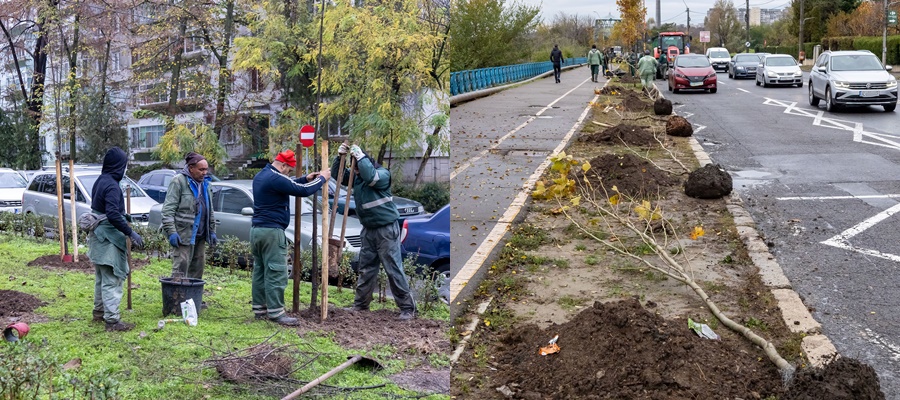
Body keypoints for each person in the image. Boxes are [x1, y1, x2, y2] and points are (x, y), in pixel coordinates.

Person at [333, 143, 417, 321]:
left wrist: (360, 157)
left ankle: (407, 308)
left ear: (365, 163)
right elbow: (339, 176)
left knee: (393, 268)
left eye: (357, 168)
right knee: (366, 269)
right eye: (354, 169)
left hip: (386, 229)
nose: (354, 173)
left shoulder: (382, 175)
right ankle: (361, 305)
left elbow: (371, 176)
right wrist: (339, 158)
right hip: (369, 230)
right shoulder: (358, 178)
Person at [250, 150, 330, 325]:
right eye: (289, 169)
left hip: (257, 231)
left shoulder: (262, 175)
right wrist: (322, 178)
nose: (289, 173)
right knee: (276, 271)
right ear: (283, 165)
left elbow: (289, 184)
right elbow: (302, 191)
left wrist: (305, 178)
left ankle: (260, 309)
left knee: (261, 271)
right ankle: (277, 313)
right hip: (272, 232)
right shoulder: (275, 177)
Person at [88, 147, 144, 332]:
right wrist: (130, 232)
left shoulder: (100, 180)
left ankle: (99, 312)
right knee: (112, 279)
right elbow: (112, 213)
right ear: (119, 166)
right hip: (108, 237)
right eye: (124, 165)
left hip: (98, 236)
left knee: (101, 277)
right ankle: (112, 321)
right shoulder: (111, 185)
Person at [161, 152, 216, 286]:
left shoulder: (206, 185)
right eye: (201, 169)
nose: (204, 172)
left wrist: (212, 230)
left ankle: (192, 300)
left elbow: (210, 209)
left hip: (201, 235)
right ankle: (177, 299)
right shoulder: (178, 182)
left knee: (197, 270)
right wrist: (172, 232)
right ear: (191, 168)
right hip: (183, 235)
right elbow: (168, 210)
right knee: (180, 269)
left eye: (206, 169)